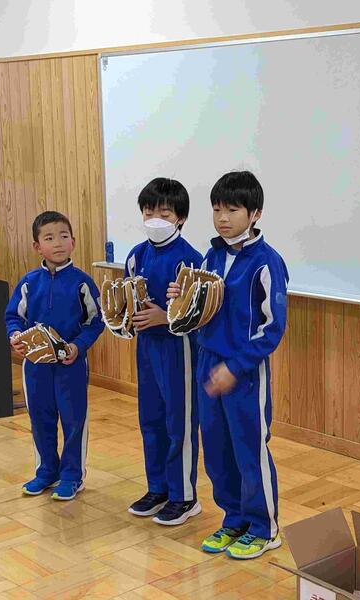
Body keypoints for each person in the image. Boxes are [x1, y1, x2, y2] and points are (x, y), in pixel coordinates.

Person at [168, 170, 288, 559]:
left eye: (232, 210)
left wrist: (236, 367)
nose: (222, 218)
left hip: (245, 373)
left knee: (249, 450)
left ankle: (264, 527)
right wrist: (181, 298)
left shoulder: (267, 263)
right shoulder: (212, 256)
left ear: (255, 213)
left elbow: (273, 328)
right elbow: (201, 308)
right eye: (217, 209)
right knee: (217, 451)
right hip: (208, 363)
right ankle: (233, 519)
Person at [6, 211, 104, 501]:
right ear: (37, 246)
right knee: (40, 418)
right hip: (35, 367)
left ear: (73, 241)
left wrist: (78, 346)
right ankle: (47, 471)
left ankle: (72, 476)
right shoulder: (28, 283)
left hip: (71, 365)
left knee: (73, 420)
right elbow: (13, 317)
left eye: (63, 236)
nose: (58, 243)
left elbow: (95, 322)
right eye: (49, 238)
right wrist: (15, 336)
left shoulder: (82, 283)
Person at [124, 178, 204, 526]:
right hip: (147, 349)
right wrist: (124, 317)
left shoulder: (192, 260)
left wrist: (165, 317)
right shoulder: (136, 255)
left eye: (165, 213)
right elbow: (128, 301)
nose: (155, 219)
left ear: (180, 218)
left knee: (179, 423)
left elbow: (200, 313)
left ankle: (184, 495)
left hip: (179, 348)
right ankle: (157, 488)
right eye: (149, 212)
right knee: (151, 419)